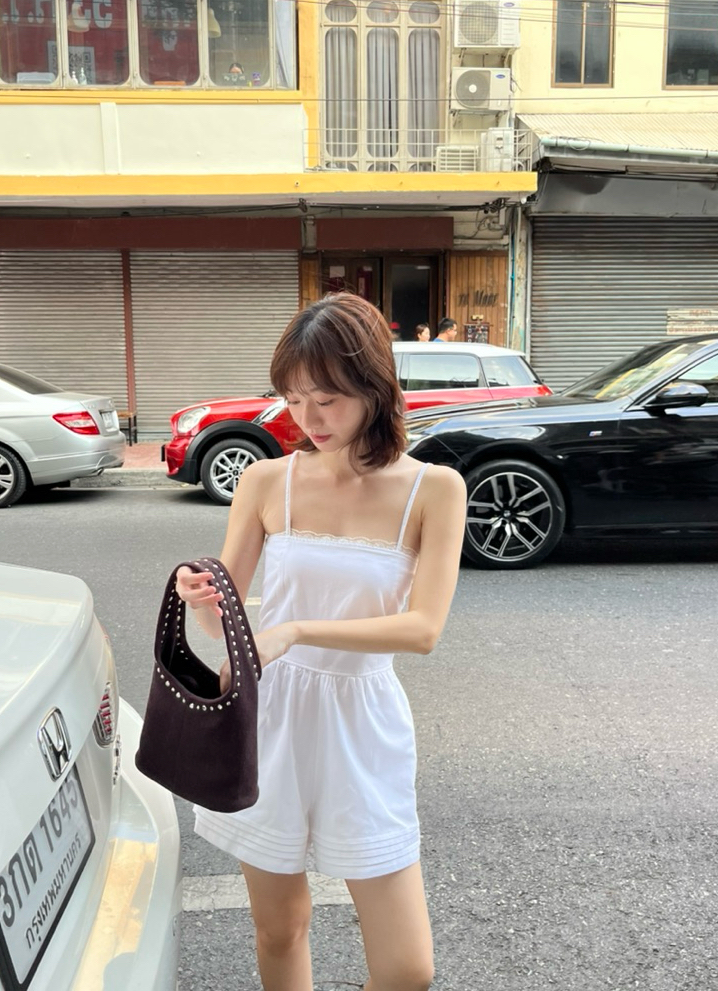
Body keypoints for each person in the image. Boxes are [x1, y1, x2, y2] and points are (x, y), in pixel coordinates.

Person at [176, 292, 466, 991]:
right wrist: (203, 600)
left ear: (374, 388)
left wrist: (297, 629)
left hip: (363, 721)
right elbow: (225, 625)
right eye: (294, 400)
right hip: (268, 716)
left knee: (407, 969)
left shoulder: (434, 489)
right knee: (281, 927)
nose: (308, 419)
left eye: (327, 400)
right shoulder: (265, 481)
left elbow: (423, 629)